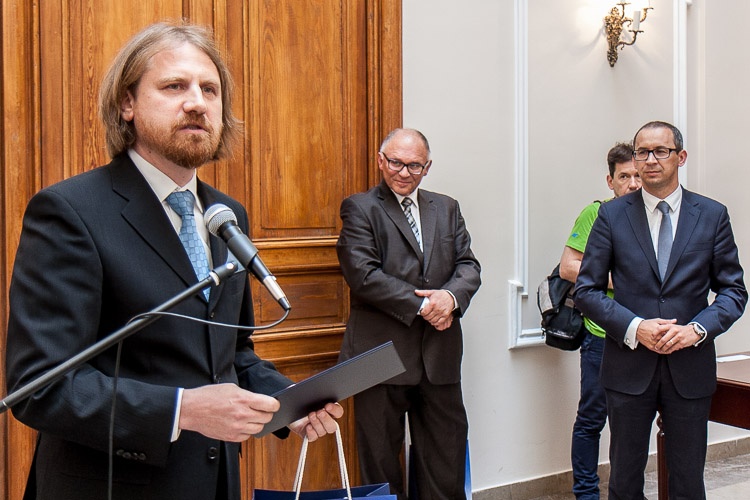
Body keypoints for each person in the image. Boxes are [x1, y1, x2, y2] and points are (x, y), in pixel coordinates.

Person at [4, 21, 342, 500]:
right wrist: (183, 410)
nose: (197, 102)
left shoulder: (227, 215)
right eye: (174, 86)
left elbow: (231, 355)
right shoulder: (69, 211)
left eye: (210, 89)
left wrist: (291, 403)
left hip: (214, 482)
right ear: (127, 104)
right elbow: (40, 388)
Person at [574, 121, 747, 499]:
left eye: (661, 151)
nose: (650, 160)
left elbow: (734, 292)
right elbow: (586, 291)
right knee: (624, 481)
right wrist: (635, 327)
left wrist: (696, 330)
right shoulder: (611, 216)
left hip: (690, 367)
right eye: (642, 152)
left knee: (688, 481)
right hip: (628, 368)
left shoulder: (712, 215)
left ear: (680, 157)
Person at [336, 128, 481, 500]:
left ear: (427, 167)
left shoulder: (447, 208)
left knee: (446, 465)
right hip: (377, 357)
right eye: (396, 163)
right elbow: (363, 275)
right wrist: (426, 306)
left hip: (439, 355)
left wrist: (451, 298)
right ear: (381, 161)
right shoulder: (360, 208)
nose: (404, 172)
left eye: (414, 165)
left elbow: (468, 266)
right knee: (381, 470)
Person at [559, 142, 641, 499]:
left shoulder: (654, 216)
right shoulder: (596, 213)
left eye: (638, 175)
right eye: (624, 176)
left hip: (642, 335)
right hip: (601, 336)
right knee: (592, 418)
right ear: (611, 181)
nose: (633, 183)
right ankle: (586, 493)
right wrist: (624, 281)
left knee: (631, 424)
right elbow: (568, 267)